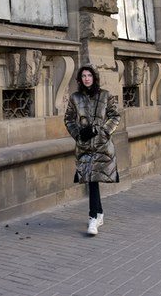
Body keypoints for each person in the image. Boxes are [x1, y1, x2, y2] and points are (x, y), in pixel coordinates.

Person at [64, 64, 121, 235]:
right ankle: (98, 214)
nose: (86, 78)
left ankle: (93, 219)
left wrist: (103, 132)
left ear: (94, 77)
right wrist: (79, 134)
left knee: (93, 181)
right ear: (80, 79)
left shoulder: (105, 95)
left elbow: (115, 116)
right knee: (91, 180)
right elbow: (68, 119)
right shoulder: (75, 98)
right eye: (83, 76)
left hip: (102, 146)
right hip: (84, 146)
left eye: (89, 75)